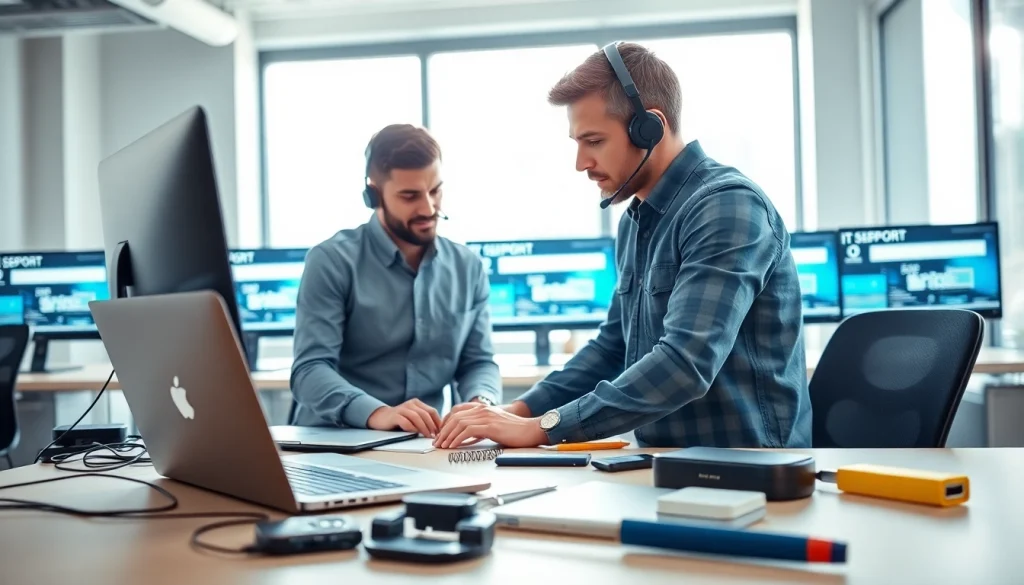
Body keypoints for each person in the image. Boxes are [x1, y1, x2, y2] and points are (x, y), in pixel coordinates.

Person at [434, 42, 811, 449]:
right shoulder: (637, 221)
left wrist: (543, 427)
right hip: (664, 465)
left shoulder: (726, 207)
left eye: (593, 141)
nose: (580, 162)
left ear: (649, 128)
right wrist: (517, 411)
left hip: (750, 472)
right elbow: (613, 346)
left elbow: (686, 363)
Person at [290, 124, 502, 437]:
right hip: (334, 441)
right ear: (374, 195)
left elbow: (478, 362)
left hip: (424, 445)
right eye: (409, 196)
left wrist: (481, 403)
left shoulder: (467, 267)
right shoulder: (332, 261)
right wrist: (379, 413)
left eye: (435, 191)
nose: (428, 208)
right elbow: (309, 371)